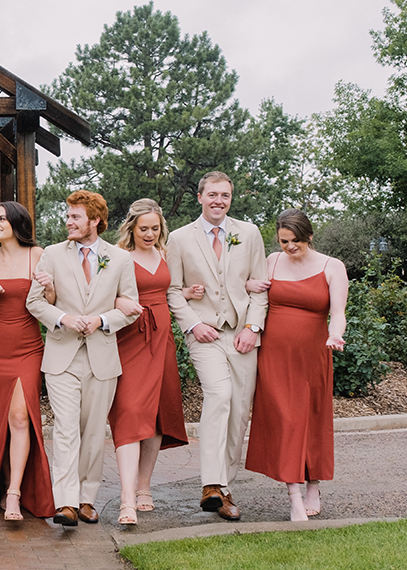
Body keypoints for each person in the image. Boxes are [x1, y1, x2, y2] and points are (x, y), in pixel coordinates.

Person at [25, 190, 139, 527]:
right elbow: (35, 302)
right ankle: (66, 503)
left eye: (75, 216)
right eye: (68, 215)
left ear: (95, 221)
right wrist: (64, 319)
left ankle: (88, 498)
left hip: (102, 356)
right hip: (62, 355)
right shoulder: (52, 255)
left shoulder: (120, 259)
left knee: (92, 431)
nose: (68, 222)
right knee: (65, 428)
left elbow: (130, 307)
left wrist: (103, 320)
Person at [166, 171, 267, 521]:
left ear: (230, 198)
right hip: (205, 334)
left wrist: (253, 327)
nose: (218, 201)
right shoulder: (179, 239)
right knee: (220, 396)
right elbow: (171, 290)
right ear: (199, 197)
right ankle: (211, 484)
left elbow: (260, 288)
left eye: (224, 195)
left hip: (242, 335)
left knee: (239, 413)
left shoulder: (249, 233)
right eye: (212, 195)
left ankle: (223, 489)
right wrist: (194, 325)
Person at [244, 209, 348, 521]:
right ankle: (293, 495)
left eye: (296, 241)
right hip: (274, 355)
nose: (290, 247)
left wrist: (335, 335)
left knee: (311, 419)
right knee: (286, 421)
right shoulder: (273, 261)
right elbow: (254, 291)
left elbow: (338, 312)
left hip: (313, 355)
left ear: (309, 237)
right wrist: (249, 285)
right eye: (284, 240)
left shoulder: (332, 267)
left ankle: (313, 485)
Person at [0, 201, 55, 521]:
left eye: (2, 219)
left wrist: (50, 285)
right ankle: (2, 485)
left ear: (18, 222)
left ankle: (15, 493)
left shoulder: (38, 255)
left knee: (20, 416)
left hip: (29, 345)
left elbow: (52, 301)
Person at [107, 199, 189, 526]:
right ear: (131, 227)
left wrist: (191, 293)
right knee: (128, 410)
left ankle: (143, 486)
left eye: (155, 228)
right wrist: (122, 302)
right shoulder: (117, 256)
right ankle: (126, 497)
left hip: (161, 338)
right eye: (144, 229)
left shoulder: (165, 254)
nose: (150, 234)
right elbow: (101, 294)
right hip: (130, 338)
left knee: (156, 413)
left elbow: (172, 291)